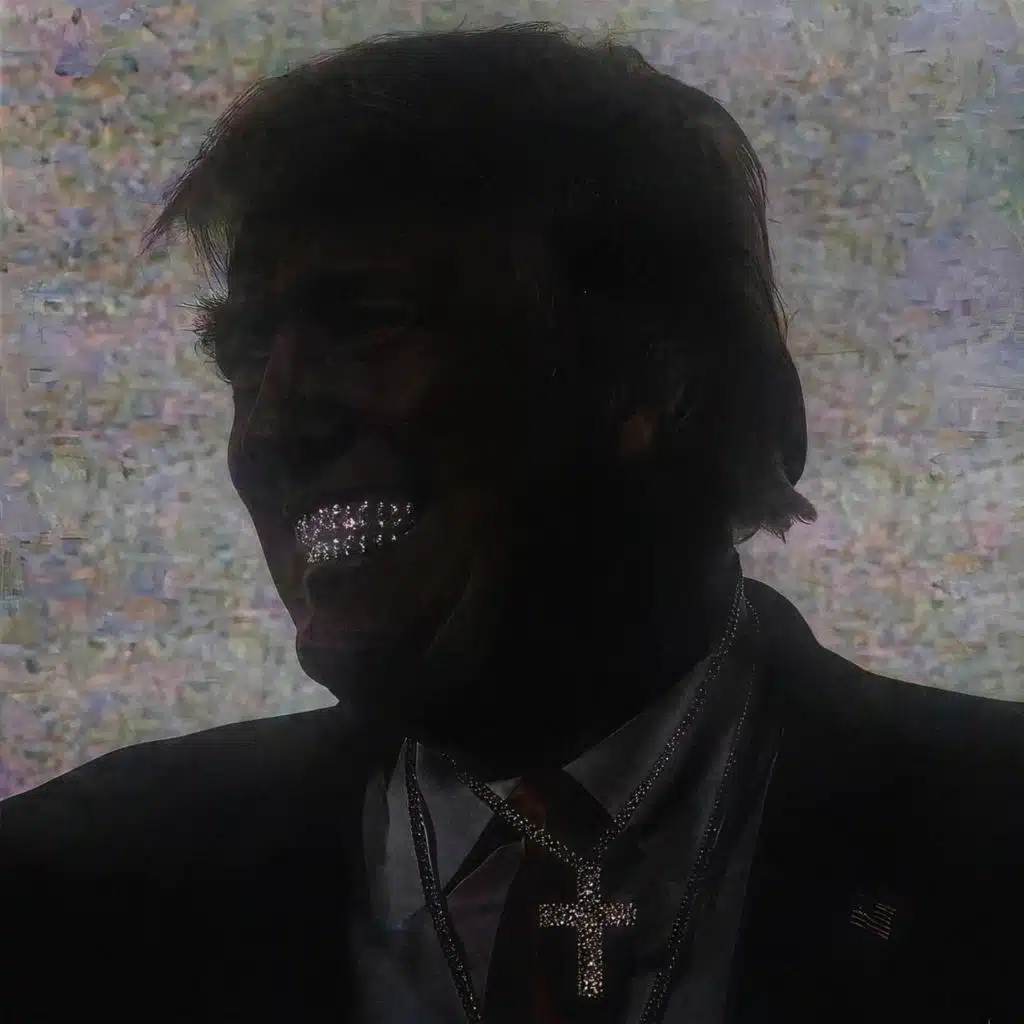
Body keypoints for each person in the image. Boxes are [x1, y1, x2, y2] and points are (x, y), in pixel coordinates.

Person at [1, 22, 1019, 1024]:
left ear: (647, 378)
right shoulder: (63, 899)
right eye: (245, 357)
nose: (269, 427)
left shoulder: (992, 841)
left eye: (368, 323)